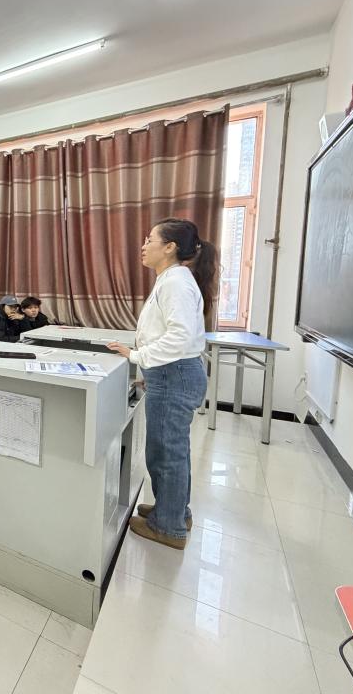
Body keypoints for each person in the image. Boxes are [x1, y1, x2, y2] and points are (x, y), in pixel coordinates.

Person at [106, 218, 215, 551]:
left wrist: (137, 356)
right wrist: (148, 367)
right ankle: (174, 512)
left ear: (169, 247)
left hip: (174, 374)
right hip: (170, 373)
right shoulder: (172, 279)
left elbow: (179, 337)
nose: (143, 246)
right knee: (169, 451)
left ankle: (168, 527)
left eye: (149, 240)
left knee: (166, 454)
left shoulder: (176, 283)